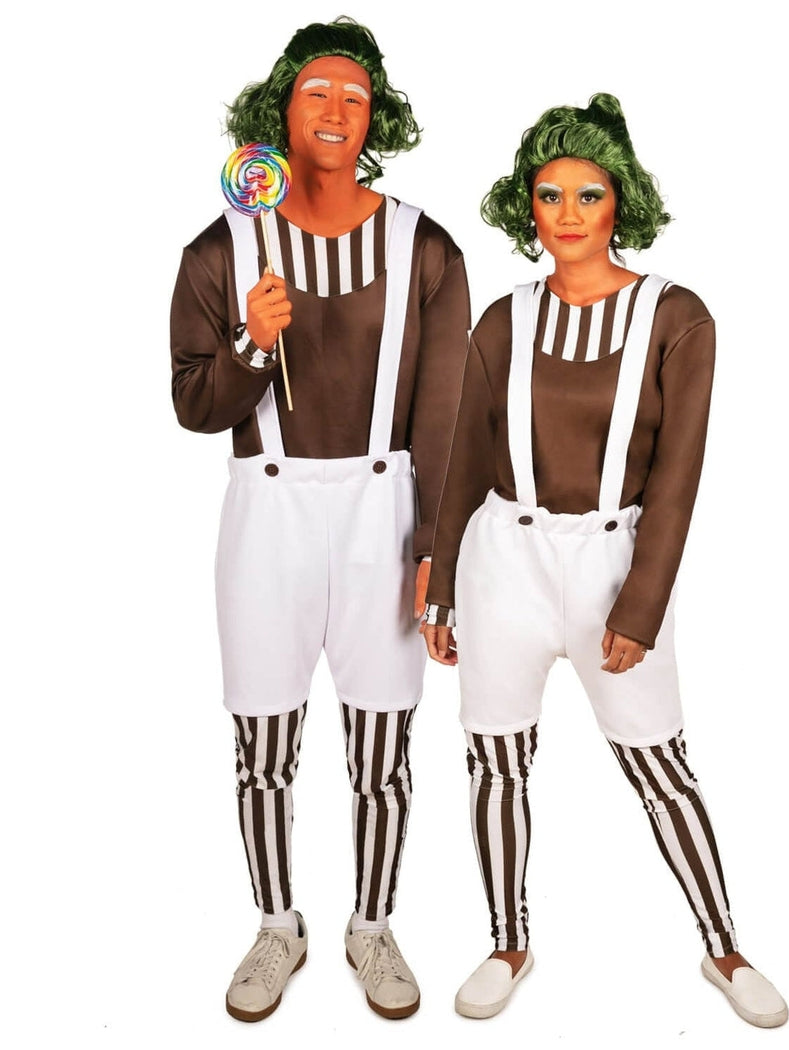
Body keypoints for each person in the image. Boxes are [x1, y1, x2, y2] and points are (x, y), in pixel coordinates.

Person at [422, 93, 787, 1029]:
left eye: (590, 194)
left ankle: (724, 945)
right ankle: (507, 940)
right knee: (496, 759)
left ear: (621, 199)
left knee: (660, 762)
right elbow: (466, 455)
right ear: (527, 206)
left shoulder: (678, 317)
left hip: (612, 563)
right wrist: (441, 580)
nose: (570, 214)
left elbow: (677, 475)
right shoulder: (504, 319)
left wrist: (642, 603)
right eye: (550, 195)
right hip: (504, 559)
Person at [170, 17, 469, 1023]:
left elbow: (447, 409)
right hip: (267, 510)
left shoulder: (425, 247)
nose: (337, 110)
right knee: (263, 740)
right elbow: (193, 404)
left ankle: (371, 925)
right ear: (281, 111)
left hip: (387, 508)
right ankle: (277, 924)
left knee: (383, 744)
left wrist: (436, 550)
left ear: (375, 117)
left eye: (356, 95)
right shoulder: (222, 250)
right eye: (316, 91)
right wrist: (253, 345)